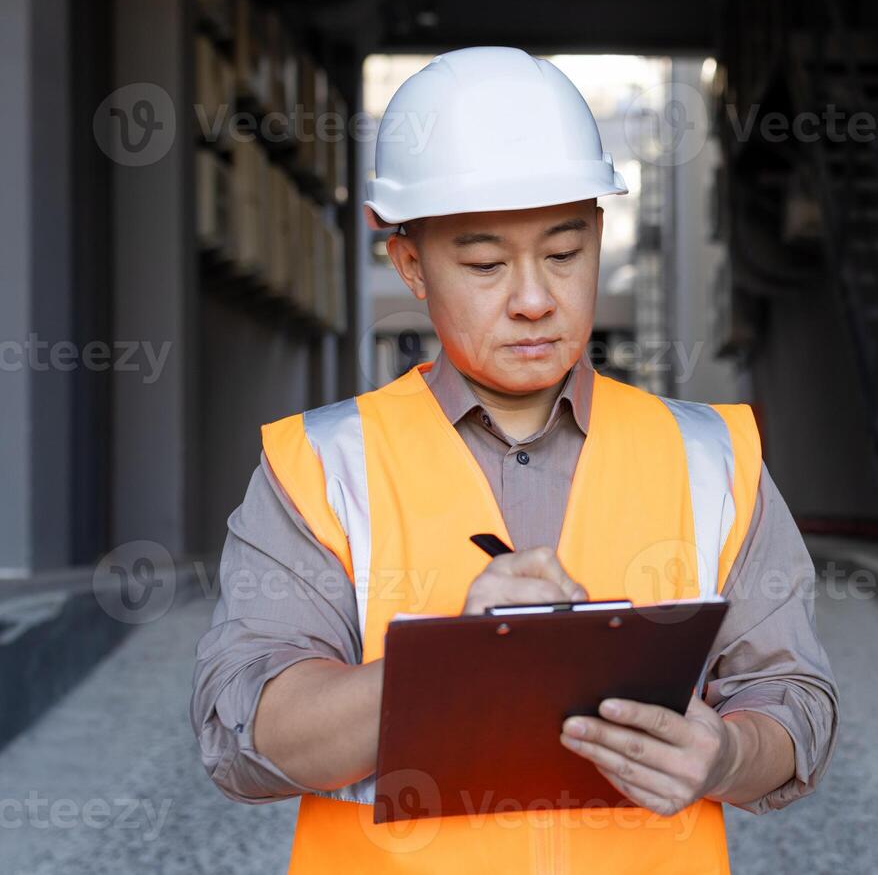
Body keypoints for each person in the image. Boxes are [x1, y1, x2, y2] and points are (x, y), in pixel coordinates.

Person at [190, 46, 839, 873]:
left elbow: (796, 703)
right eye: (487, 264)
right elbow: (239, 737)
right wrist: (443, 670)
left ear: (600, 236)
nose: (534, 298)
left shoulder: (712, 459)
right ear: (412, 266)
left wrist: (727, 756)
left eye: (565, 255)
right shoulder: (320, 469)